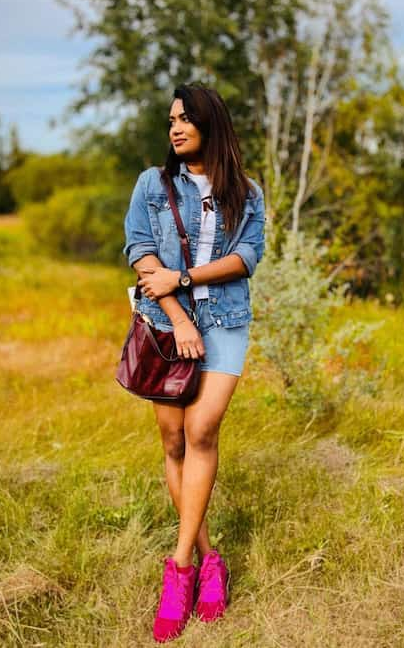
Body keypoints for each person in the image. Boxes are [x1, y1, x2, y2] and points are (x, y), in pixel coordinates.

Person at [122, 82, 265, 643]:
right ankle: (211, 560)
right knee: (174, 441)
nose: (176, 127)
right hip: (165, 326)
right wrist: (179, 315)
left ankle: (179, 568)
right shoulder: (151, 184)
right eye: (171, 120)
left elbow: (244, 258)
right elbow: (139, 251)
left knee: (203, 429)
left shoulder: (246, 193)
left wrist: (184, 279)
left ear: (212, 124)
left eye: (187, 118)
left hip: (226, 322)